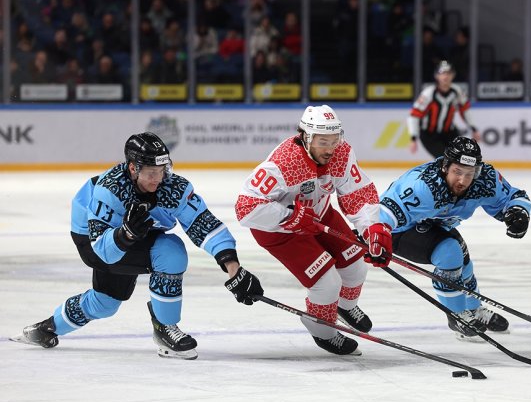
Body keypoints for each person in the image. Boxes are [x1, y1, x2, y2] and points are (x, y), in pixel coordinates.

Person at [11, 132, 264, 360]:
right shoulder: (110, 190)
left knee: (105, 303)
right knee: (169, 252)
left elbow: (203, 223)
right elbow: (102, 250)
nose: (158, 178)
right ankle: (164, 326)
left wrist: (233, 268)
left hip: (132, 235)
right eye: (151, 172)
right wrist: (124, 236)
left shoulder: (172, 186)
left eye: (162, 170)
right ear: (133, 168)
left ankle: (48, 328)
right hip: (93, 238)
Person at [235, 105, 392, 356]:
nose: (330, 149)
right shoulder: (284, 163)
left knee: (356, 266)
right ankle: (323, 331)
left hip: (319, 214)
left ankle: (344, 306)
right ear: (306, 137)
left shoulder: (342, 153)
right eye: (323, 142)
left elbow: (357, 192)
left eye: (334, 140)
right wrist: (289, 217)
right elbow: (246, 208)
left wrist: (372, 227)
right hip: (280, 230)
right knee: (327, 283)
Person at [379, 136, 531, 341]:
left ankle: (473, 310)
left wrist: (518, 212)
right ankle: (457, 315)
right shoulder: (423, 185)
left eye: (469, 173)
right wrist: (374, 236)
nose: (463, 180)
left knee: (464, 263)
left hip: (435, 224)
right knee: (449, 252)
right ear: (445, 166)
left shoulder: (484, 179)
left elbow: (511, 196)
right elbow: (385, 212)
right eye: (457, 172)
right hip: (398, 231)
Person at [407, 60, 480, 158]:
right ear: (436, 76)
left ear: (453, 75)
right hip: (429, 135)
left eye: (449, 73)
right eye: (442, 73)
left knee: (464, 157)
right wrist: (413, 137)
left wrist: (473, 128)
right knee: (446, 159)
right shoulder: (428, 93)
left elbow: (465, 110)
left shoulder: (456, 91)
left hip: (449, 132)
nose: (446, 76)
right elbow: (414, 116)